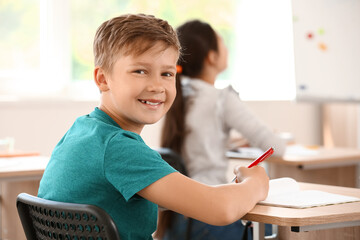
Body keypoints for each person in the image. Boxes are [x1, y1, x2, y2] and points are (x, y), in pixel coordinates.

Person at [37, 14, 269, 240]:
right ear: (103, 79)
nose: (157, 86)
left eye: (167, 73)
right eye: (140, 71)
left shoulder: (82, 131)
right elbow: (222, 210)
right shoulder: (118, 148)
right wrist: (256, 183)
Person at [159, 20, 287, 239]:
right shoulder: (220, 99)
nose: (226, 48)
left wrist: (231, 142)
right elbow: (277, 146)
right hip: (209, 218)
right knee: (280, 229)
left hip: (176, 222)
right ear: (212, 57)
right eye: (222, 43)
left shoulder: (177, 93)